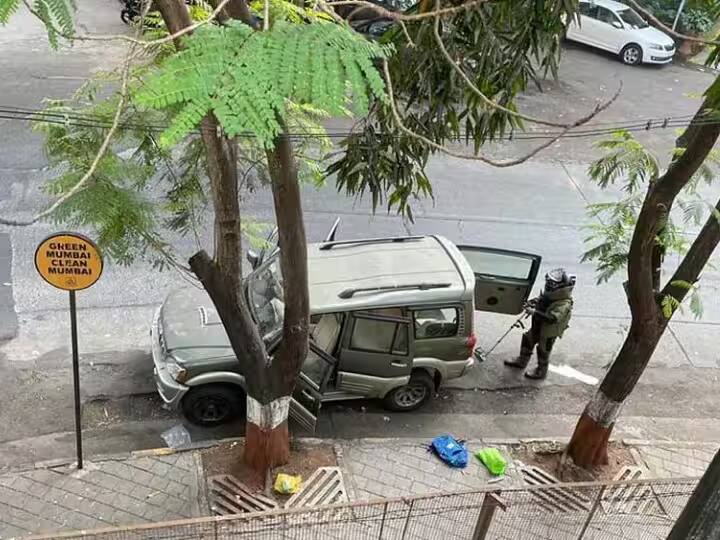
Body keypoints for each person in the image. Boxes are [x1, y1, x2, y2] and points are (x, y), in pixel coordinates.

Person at [504, 268, 575, 380]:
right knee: (528, 339)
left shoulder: (563, 303)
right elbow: (541, 300)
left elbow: (552, 318)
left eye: (552, 284)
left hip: (548, 332)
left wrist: (534, 312)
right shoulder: (550, 296)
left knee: (543, 350)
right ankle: (522, 361)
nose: (549, 285)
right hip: (538, 326)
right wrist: (533, 302)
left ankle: (541, 370)